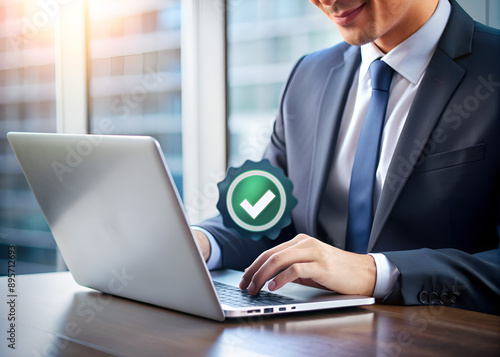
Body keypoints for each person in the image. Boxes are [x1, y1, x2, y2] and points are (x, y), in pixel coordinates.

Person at [193, 0, 500, 315]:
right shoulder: (308, 75)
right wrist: (199, 242)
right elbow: (266, 213)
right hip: (315, 338)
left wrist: (373, 272)